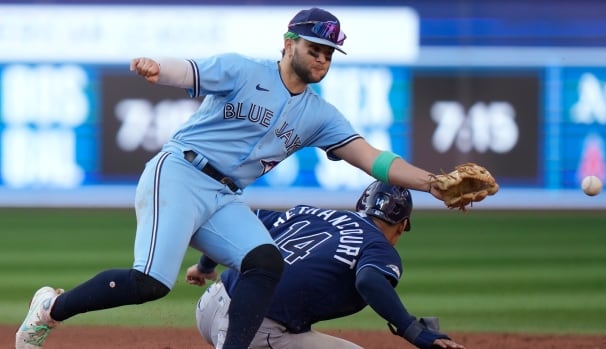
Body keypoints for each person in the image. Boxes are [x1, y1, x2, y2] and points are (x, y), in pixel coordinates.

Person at [16, 7, 449, 349]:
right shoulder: (245, 70)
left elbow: (373, 158)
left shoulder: (319, 115)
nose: (321, 57)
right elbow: (190, 70)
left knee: (265, 261)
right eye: (314, 47)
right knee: (149, 283)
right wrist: (157, 68)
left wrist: (431, 183)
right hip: (181, 173)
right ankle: (50, 309)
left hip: (222, 197)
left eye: (328, 53)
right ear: (289, 43)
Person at [188, 181, 465, 349]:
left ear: (362, 206)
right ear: (402, 225)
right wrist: (413, 332)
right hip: (253, 332)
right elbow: (369, 281)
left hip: (209, 306)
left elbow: (239, 224)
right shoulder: (378, 246)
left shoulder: (310, 212)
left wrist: (203, 267)